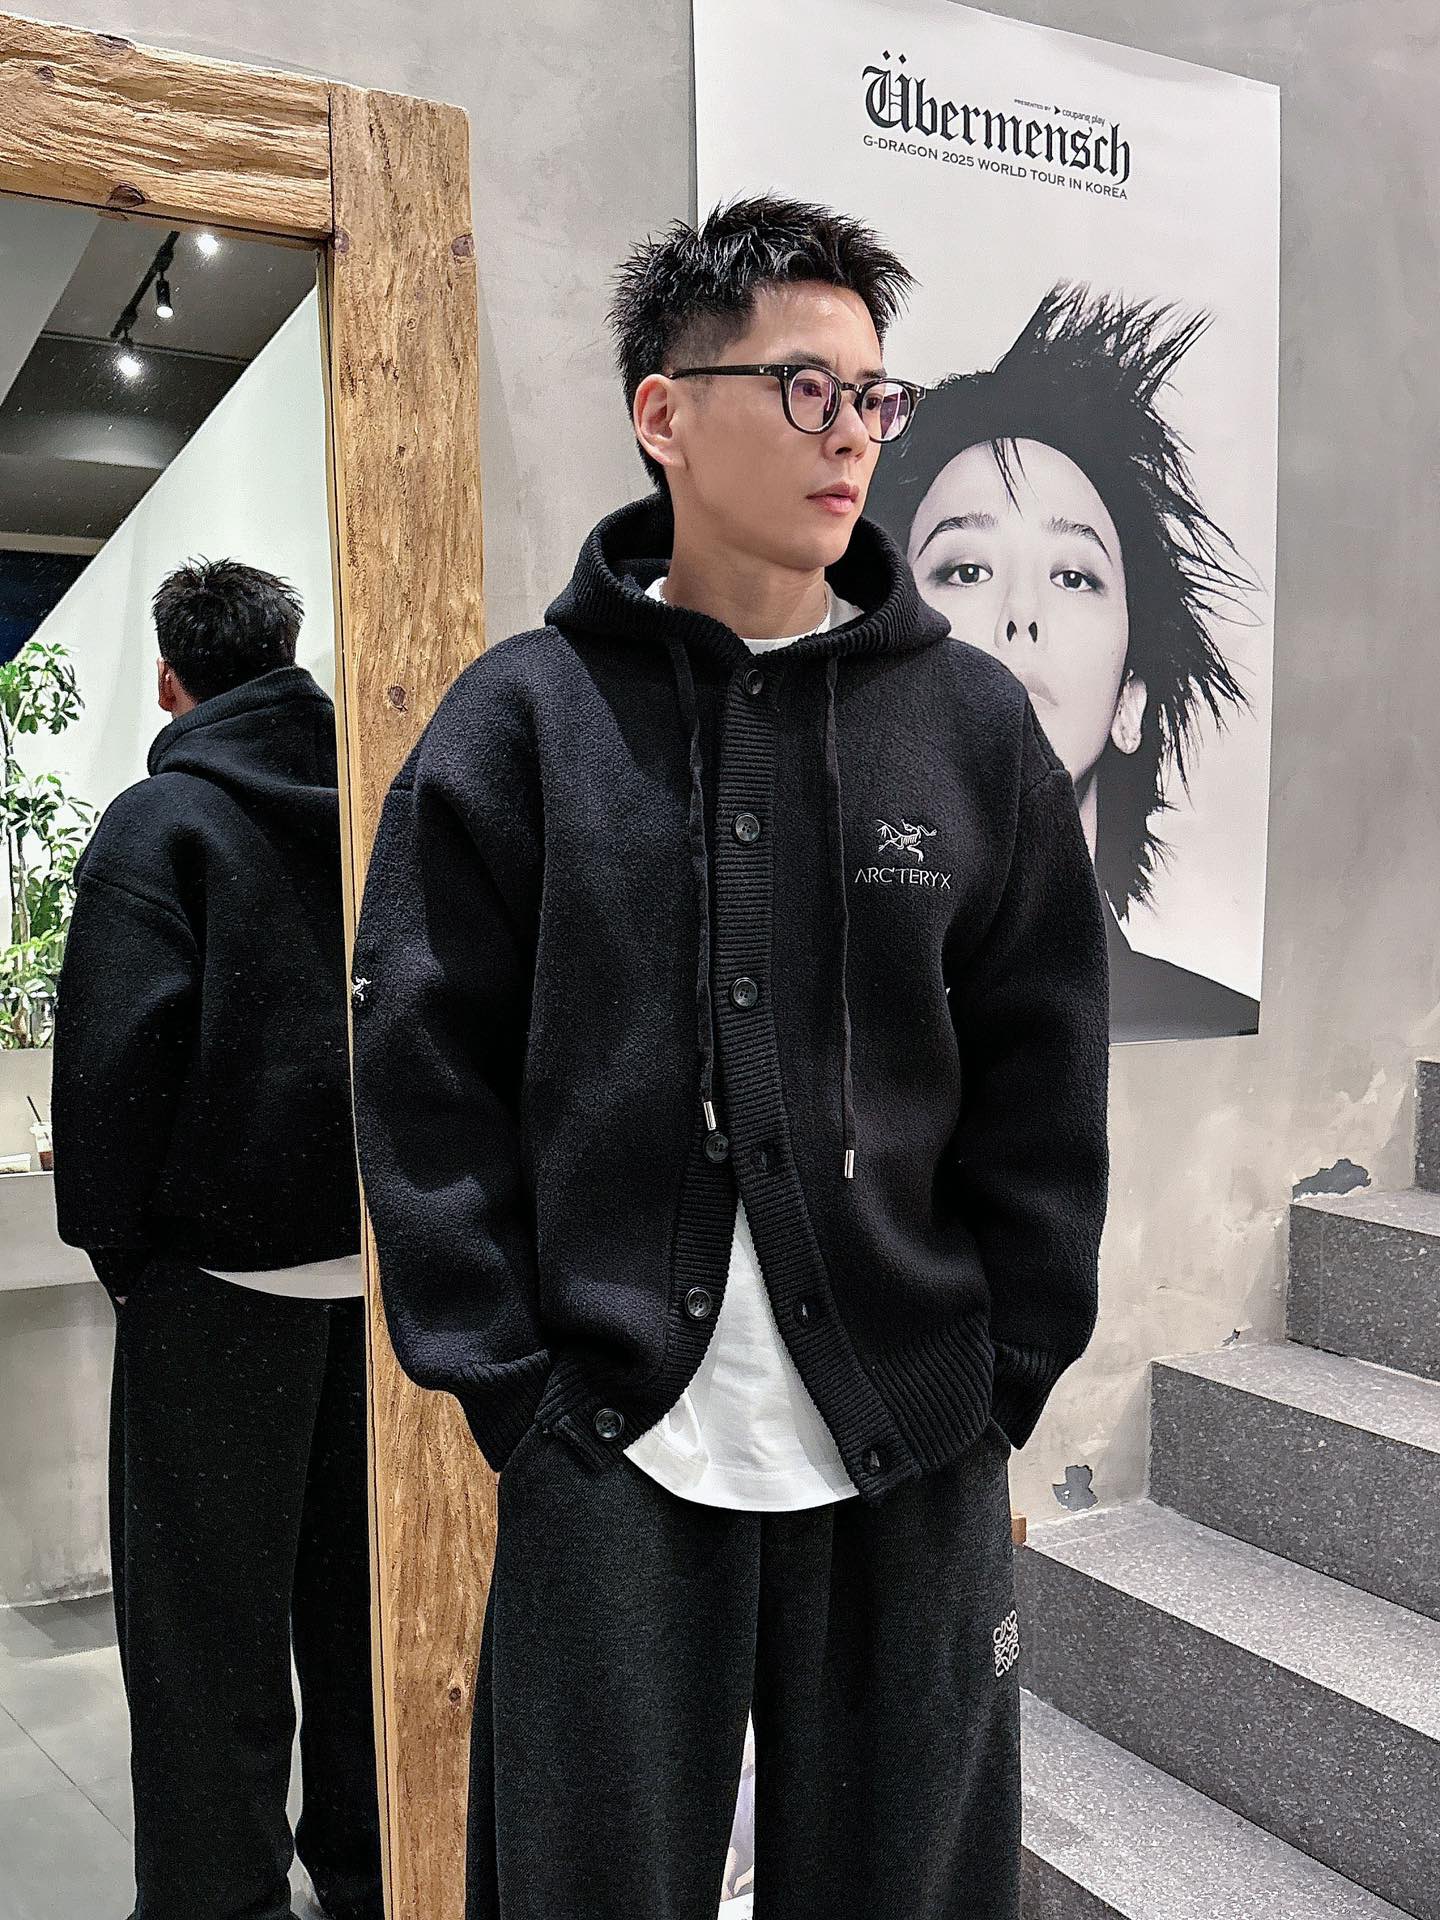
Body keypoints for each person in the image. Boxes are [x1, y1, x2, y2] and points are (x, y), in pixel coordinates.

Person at [348, 192, 1111, 1920]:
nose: (851, 434)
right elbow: (422, 1065)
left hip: (910, 1440)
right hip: (611, 1445)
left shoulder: (973, 729)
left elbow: (1044, 1075)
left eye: (872, 395)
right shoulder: (523, 723)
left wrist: (1006, 1373)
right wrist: (509, 1384)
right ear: (665, 413)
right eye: (803, 387)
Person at [50, 558, 383, 1920]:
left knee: (203, 1639)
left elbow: (109, 1071)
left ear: (171, 681)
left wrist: (124, 1254)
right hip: (384, 1290)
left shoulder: (160, 825)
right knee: (363, 1621)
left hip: (218, 1296)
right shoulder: (381, 799)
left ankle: (219, 1899)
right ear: (290, 654)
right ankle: (372, 1876)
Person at [863, 279, 1263, 1042]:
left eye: (1074, 576)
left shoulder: (1211, 1024)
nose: (1022, 614)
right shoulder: (809, 1023)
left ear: (1130, 702)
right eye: (966, 570)